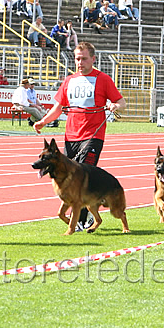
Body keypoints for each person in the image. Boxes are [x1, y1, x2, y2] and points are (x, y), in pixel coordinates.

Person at [34, 42, 127, 230]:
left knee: (83, 174)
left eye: (84, 58)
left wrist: (115, 106)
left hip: (93, 135)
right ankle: (84, 215)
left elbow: (121, 101)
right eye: (77, 58)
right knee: (69, 176)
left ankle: (81, 220)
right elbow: (58, 107)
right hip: (71, 135)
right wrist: (43, 121)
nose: (80, 62)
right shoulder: (69, 81)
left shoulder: (103, 79)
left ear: (93, 59)